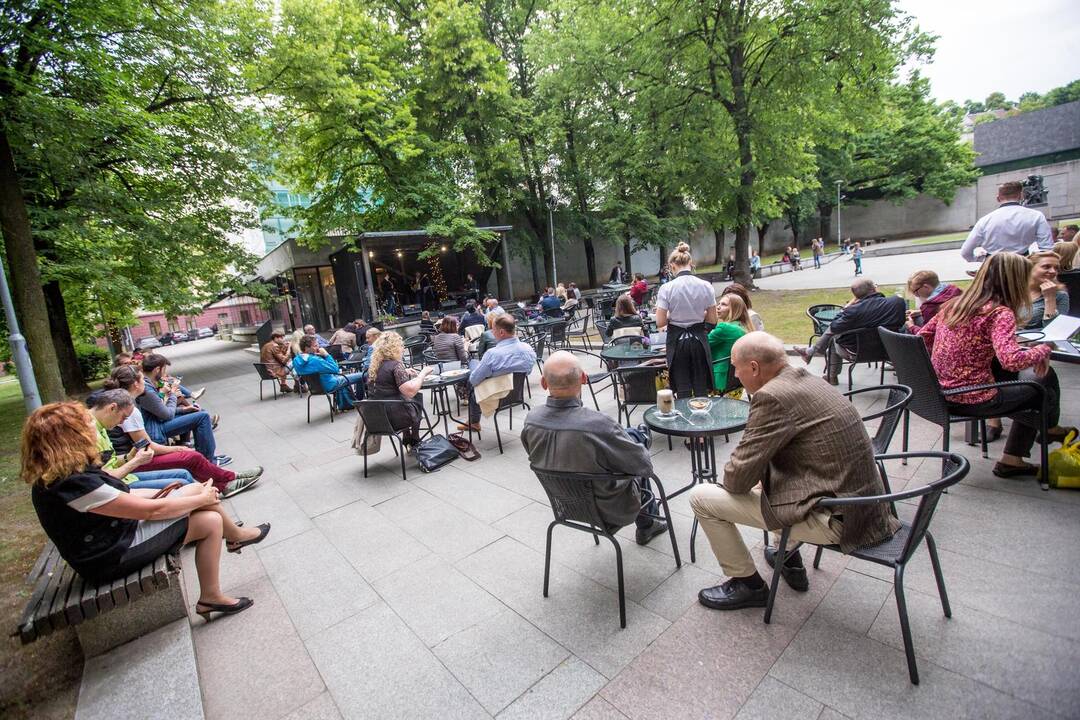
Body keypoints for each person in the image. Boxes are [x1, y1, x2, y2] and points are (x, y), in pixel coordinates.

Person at [690, 333, 899, 609]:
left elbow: (736, 480)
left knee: (702, 498)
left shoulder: (771, 397)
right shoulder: (806, 378)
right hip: (864, 506)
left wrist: (750, 465)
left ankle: (748, 585)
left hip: (839, 521)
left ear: (754, 367)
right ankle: (785, 556)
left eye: (735, 367)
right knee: (769, 478)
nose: (735, 375)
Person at [23, 401, 270, 620]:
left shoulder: (65, 474)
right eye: (84, 426)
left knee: (208, 517)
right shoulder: (71, 484)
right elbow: (151, 512)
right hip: (109, 556)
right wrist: (197, 497)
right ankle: (234, 540)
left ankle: (211, 594)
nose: (90, 429)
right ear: (68, 437)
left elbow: (126, 497)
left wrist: (188, 494)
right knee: (203, 505)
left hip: (112, 538)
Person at [907, 252, 1069, 477]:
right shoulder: (999, 313)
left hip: (939, 392)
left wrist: (957, 350)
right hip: (973, 398)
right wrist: (1044, 349)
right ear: (1015, 280)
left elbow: (923, 334)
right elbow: (1011, 361)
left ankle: (1036, 439)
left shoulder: (954, 305)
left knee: (1034, 382)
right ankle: (1028, 445)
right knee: (1040, 389)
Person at [521, 351, 668, 545]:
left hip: (566, 506)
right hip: (612, 509)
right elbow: (644, 467)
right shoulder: (599, 424)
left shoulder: (531, 421)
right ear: (583, 379)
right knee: (636, 446)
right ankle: (647, 525)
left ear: (543, 383)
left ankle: (633, 436)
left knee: (625, 441)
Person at [105, 367, 262, 497]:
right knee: (190, 456)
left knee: (191, 454)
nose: (145, 382)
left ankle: (224, 479)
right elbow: (147, 446)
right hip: (136, 458)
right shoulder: (129, 410)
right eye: (142, 379)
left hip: (134, 456)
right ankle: (227, 479)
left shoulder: (128, 404)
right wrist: (177, 448)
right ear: (136, 384)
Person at [794, 278, 905, 385]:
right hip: (890, 351)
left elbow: (834, 326)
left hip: (858, 353)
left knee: (833, 339)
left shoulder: (852, 311)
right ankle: (811, 352)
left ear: (856, 296)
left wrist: (847, 307)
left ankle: (830, 375)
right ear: (874, 289)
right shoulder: (897, 302)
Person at [87, 389, 195, 491]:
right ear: (112, 408)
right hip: (117, 486)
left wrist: (128, 457)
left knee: (184, 474)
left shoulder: (100, 424)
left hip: (124, 477)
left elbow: (109, 461)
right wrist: (136, 461)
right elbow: (104, 479)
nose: (121, 423)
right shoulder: (89, 434)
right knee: (182, 483)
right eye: (123, 417)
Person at [138, 355, 226, 465]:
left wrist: (185, 409)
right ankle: (208, 461)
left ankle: (206, 457)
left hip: (158, 423)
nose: (165, 373)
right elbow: (166, 415)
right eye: (164, 369)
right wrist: (173, 395)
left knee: (199, 412)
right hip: (156, 430)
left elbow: (161, 411)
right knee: (202, 417)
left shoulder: (148, 385)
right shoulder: (147, 390)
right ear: (157, 370)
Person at [655, 242, 717, 397]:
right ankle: (703, 417)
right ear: (691, 263)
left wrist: (673, 315)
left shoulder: (666, 288)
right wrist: (697, 315)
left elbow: (660, 322)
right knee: (701, 387)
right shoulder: (706, 286)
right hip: (699, 341)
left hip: (677, 343)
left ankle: (684, 419)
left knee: (682, 389)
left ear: (672, 266)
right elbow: (712, 319)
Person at [458, 314, 536, 431]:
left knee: (472, 372)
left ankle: (474, 421)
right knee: (475, 366)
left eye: (493, 330)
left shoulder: (492, 354)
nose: (491, 332)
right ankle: (473, 421)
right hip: (517, 395)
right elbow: (528, 372)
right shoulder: (528, 349)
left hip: (495, 396)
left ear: (501, 332)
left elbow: (474, 381)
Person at [365, 332, 433, 447]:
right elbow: (410, 391)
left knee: (403, 398)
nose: (403, 348)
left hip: (376, 419)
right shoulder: (395, 365)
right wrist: (422, 374)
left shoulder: (375, 365)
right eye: (401, 345)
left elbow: (384, 381)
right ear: (393, 348)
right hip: (394, 419)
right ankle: (415, 437)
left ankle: (407, 436)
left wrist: (404, 372)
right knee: (416, 397)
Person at [960, 181, 1053, 261]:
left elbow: (965, 252)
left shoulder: (984, 220)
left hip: (993, 266)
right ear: (1021, 196)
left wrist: (979, 259)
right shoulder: (1036, 216)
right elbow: (1047, 249)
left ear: (998, 198)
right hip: (1022, 264)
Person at [293, 335, 365, 398]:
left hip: (315, 388)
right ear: (306, 348)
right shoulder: (315, 360)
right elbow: (335, 369)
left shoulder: (296, 360)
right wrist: (327, 355)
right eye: (315, 346)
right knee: (363, 375)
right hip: (330, 384)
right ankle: (359, 399)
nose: (318, 347)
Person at [708, 294, 753, 393]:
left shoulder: (724, 328)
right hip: (736, 383)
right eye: (718, 303)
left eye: (723, 304)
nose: (718, 307)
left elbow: (701, 345)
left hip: (718, 383)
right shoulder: (743, 327)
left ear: (734, 309)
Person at [1024, 251, 1069, 330]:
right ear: (1029, 267)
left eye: (1056, 268)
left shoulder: (1060, 296)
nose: (1053, 271)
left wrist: (1050, 299)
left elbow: (1054, 329)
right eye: (1046, 266)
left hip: (1035, 341)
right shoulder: (1013, 291)